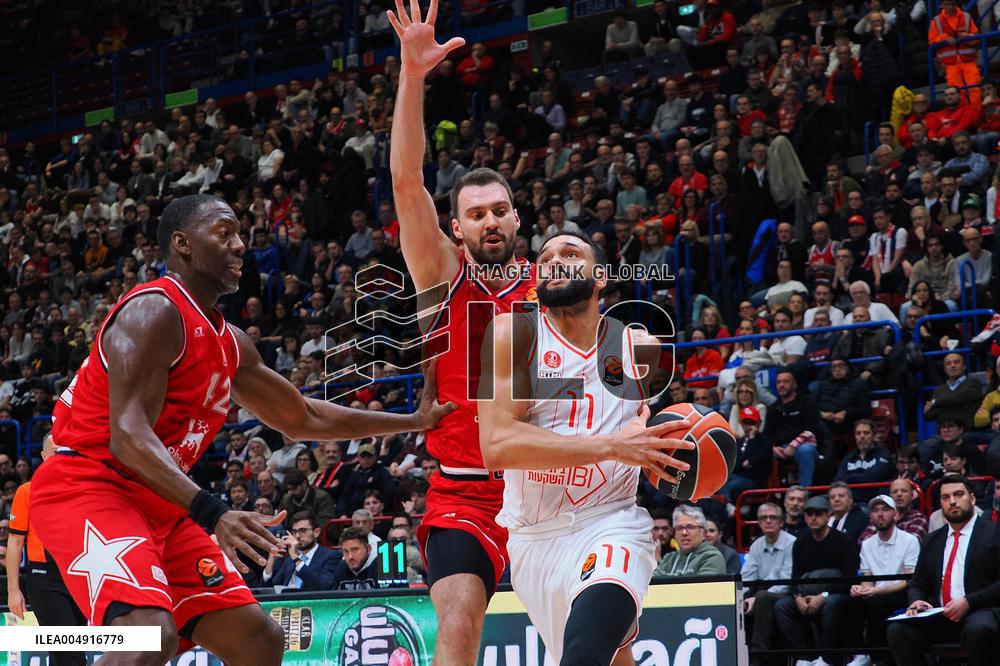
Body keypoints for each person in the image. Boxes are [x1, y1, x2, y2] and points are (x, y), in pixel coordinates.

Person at [29, 194, 453, 664]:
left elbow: (302, 417)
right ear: (183, 244)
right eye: (224, 233)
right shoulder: (154, 312)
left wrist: (413, 418)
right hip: (91, 487)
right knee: (148, 636)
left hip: (161, 503)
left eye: (241, 235)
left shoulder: (230, 343)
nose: (239, 246)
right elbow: (126, 436)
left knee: (259, 641)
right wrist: (214, 513)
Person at [388, 3, 539, 662]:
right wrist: (413, 76)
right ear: (458, 230)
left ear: (517, 217)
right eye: (476, 214)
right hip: (463, 491)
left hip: (548, 485)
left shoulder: (556, 282)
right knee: (457, 621)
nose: (490, 221)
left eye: (500, 209)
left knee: (609, 635)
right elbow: (405, 181)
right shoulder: (442, 279)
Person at [477, 228, 694, 664]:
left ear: (600, 277)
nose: (555, 259)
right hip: (534, 539)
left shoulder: (641, 349)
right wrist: (612, 446)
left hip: (612, 522)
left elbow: (650, 434)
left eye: (571, 253)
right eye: (546, 256)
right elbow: (497, 445)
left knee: (585, 653)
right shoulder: (512, 334)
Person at [887, 475, 1000, 666]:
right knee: (898, 631)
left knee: (979, 629)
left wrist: (968, 602)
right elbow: (917, 583)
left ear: (972, 499)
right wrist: (917, 601)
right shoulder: (932, 539)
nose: (952, 501)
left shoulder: (993, 532)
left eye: (958, 494)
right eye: (946, 497)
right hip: (940, 614)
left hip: (980, 610)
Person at [6, 435, 86, 666]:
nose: (60, 457)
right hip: (44, 579)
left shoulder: (82, 490)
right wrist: (13, 590)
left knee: (65, 653)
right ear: (43, 456)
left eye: (65, 451)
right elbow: (15, 542)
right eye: (54, 452)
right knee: (70, 653)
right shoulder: (26, 491)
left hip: (78, 577)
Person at [773, 495, 861, 666]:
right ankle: (804, 657)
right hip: (808, 593)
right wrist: (797, 596)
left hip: (838, 594)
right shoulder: (800, 543)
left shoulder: (844, 541)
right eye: (809, 514)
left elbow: (849, 579)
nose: (813, 518)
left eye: (818, 513)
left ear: (828, 515)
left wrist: (823, 595)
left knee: (831, 604)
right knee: (782, 606)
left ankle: (829, 659)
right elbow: (795, 578)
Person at [850, 494, 920, 658]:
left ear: (895, 514)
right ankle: (860, 655)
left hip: (901, 593)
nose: (880, 514)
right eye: (875, 510)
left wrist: (876, 591)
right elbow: (867, 578)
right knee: (850, 602)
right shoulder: (867, 544)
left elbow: (908, 580)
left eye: (885, 509)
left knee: (876, 604)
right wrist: (862, 589)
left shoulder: (910, 540)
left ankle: (879, 658)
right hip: (876, 594)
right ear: (871, 516)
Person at [741, 502, 796, 666]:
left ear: (781, 522)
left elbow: (787, 582)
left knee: (763, 597)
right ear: (759, 523)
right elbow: (746, 578)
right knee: (739, 600)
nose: (768, 521)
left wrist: (756, 598)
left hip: (787, 593)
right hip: (760, 593)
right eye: (764, 518)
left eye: (773, 517)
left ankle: (759, 656)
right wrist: (740, 598)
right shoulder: (757, 545)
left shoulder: (792, 543)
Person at [260, 512, 340, 591]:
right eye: (294, 532)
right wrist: (271, 561)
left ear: (316, 532)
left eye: (303, 530)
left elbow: (323, 587)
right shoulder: (289, 560)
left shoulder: (331, 556)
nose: (297, 536)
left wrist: (296, 559)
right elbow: (271, 588)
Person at [654, 505, 727, 578]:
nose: (684, 532)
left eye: (690, 527)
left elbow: (703, 588)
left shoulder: (711, 557)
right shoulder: (669, 559)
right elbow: (650, 586)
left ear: (704, 533)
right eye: (679, 528)